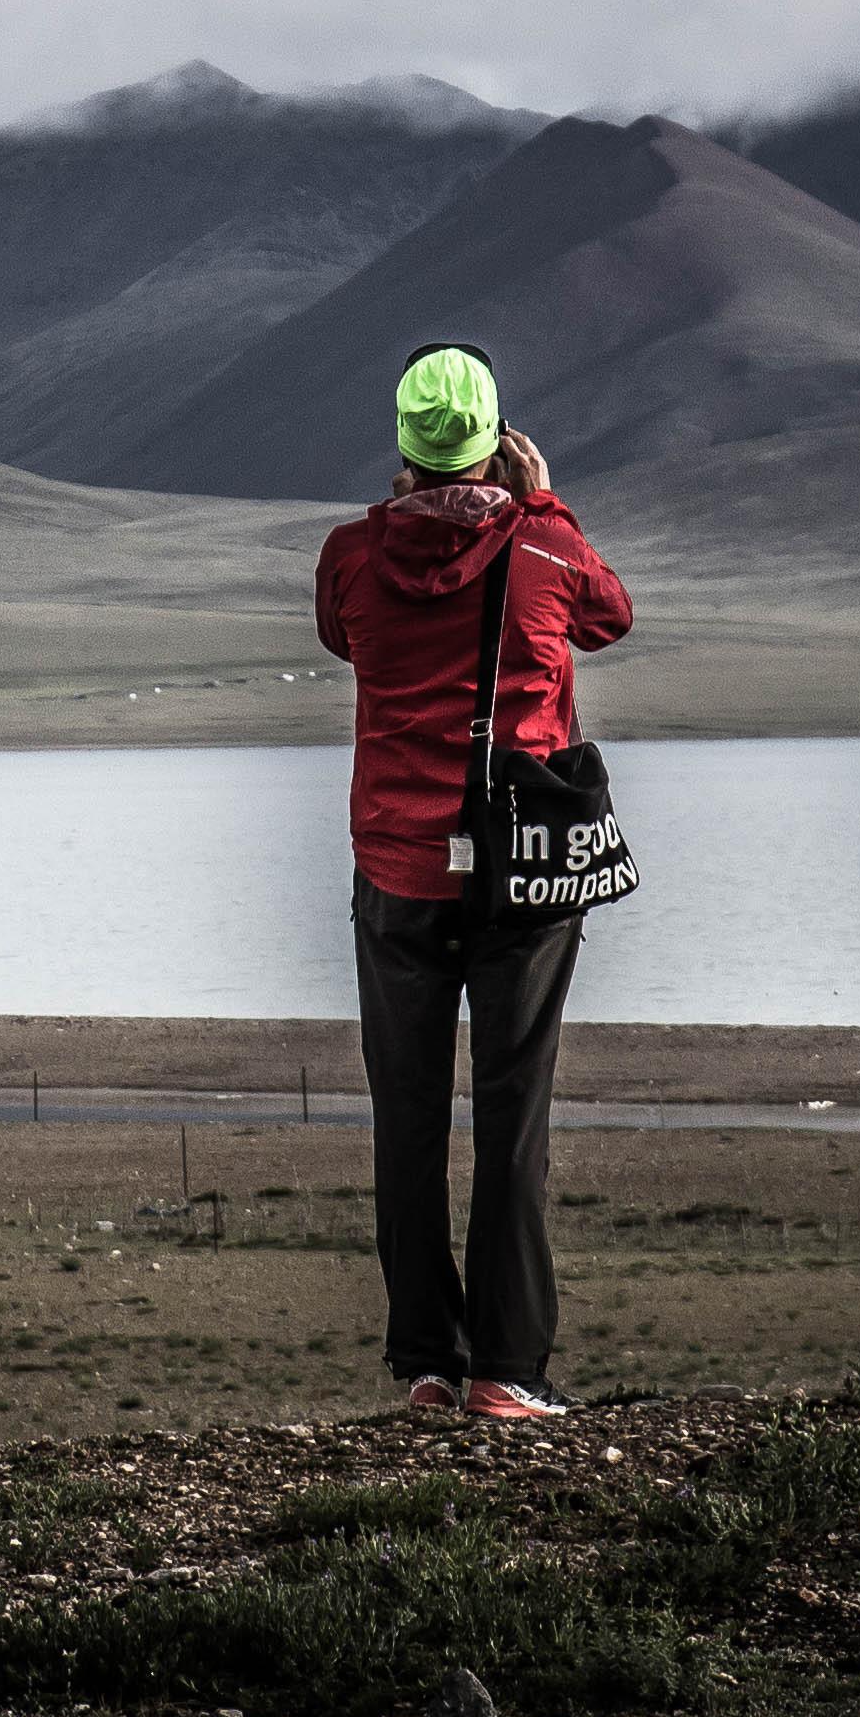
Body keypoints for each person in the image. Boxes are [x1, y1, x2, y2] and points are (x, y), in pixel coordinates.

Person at [313, 341, 635, 1422]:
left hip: (397, 869)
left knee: (405, 1117)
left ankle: (425, 1364)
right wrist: (541, 504)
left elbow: (343, 635)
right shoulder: (543, 547)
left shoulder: (351, 558)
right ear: (497, 437)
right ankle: (509, 1368)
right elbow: (610, 614)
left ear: (405, 444)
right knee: (513, 1109)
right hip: (524, 874)